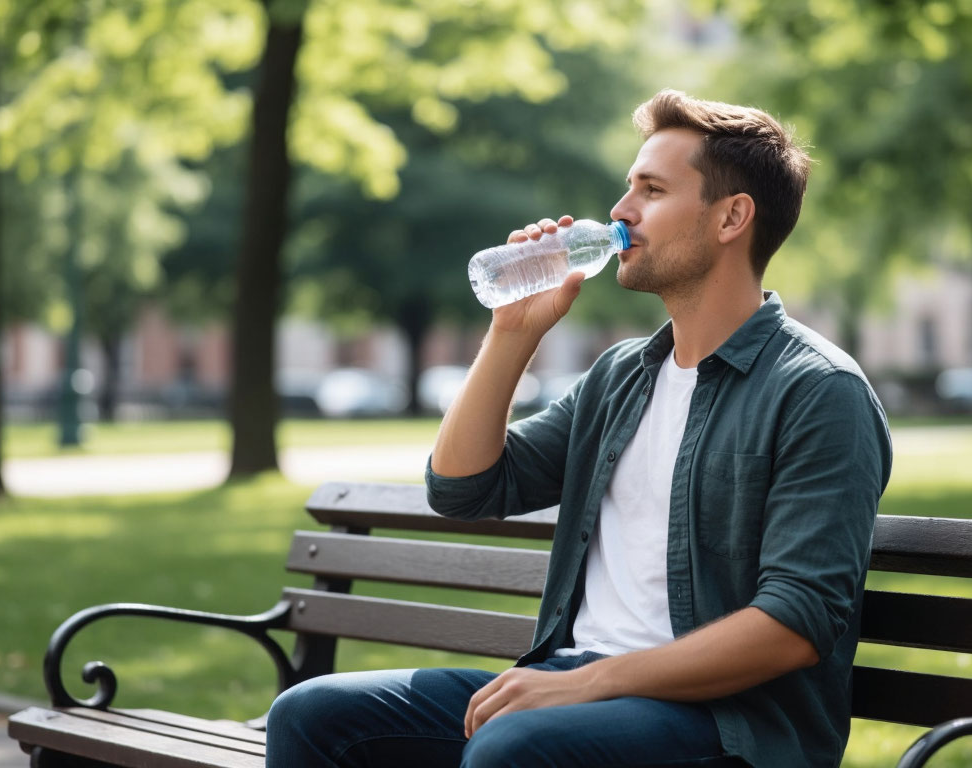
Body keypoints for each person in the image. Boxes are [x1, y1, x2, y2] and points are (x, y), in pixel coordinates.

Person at [266, 89, 892, 768]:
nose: (621, 211)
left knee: (512, 748)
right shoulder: (623, 376)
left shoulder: (817, 392)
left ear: (732, 216)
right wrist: (511, 335)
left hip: (730, 726)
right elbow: (462, 488)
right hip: (581, 681)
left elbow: (796, 623)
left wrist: (589, 683)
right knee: (311, 715)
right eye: (628, 188)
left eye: (651, 190)